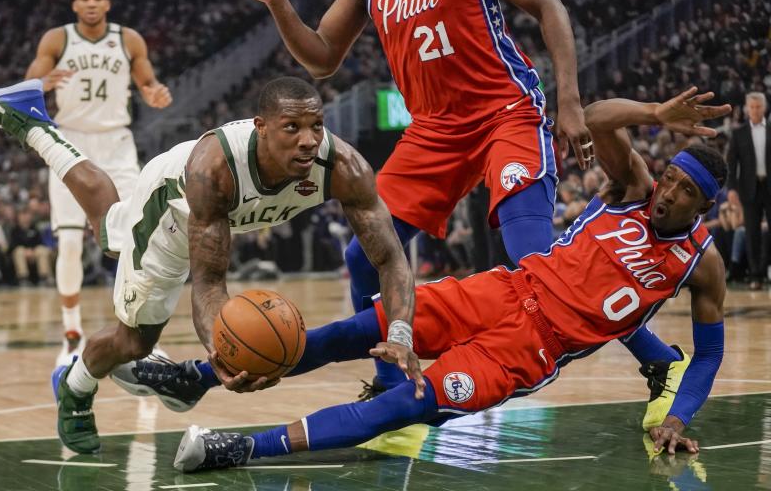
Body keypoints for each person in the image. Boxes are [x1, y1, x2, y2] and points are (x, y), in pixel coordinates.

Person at [232, 0, 658, 394]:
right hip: (434, 130)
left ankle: (655, 357)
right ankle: (389, 379)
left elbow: (549, 4)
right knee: (364, 253)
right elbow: (320, 58)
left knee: (530, 254)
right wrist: (278, 3)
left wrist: (569, 100)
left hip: (505, 112)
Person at [170, 87, 732, 472]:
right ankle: (204, 372)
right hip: (502, 291)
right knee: (354, 331)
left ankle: (241, 447)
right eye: (671, 178)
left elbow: (707, 356)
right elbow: (596, 115)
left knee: (407, 404)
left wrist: (680, 417)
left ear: (706, 205)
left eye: (685, 191)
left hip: (531, 348)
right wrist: (656, 113)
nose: (670, 193)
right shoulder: (632, 188)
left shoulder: (701, 263)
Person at [0, 75, 419, 455]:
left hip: (215, 215)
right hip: (172, 212)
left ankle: (31, 118)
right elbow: (210, 281)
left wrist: (400, 333)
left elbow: (389, 256)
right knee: (134, 340)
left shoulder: (345, 167)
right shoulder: (216, 168)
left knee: (108, 224)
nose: (308, 141)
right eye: (292, 128)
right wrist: (224, 353)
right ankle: (75, 387)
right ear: (261, 127)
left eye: (316, 126)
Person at [25, 0, 173, 364]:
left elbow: (147, 82)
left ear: (107, 3)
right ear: (75, 5)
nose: (91, 3)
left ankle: (143, 336)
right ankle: (71, 333)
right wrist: (42, 83)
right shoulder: (57, 39)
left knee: (138, 238)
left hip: (117, 144)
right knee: (70, 241)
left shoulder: (128, 39)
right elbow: (29, 81)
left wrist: (154, 92)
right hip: (71, 141)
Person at [725, 91, 770, 290]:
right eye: (751, 107)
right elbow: (731, 163)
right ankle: (756, 275)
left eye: (758, 106)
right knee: (752, 232)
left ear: (764, 108)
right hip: (749, 188)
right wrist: (732, 188)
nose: (754, 110)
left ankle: (765, 269)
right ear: (746, 108)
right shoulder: (739, 132)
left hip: (769, 186)